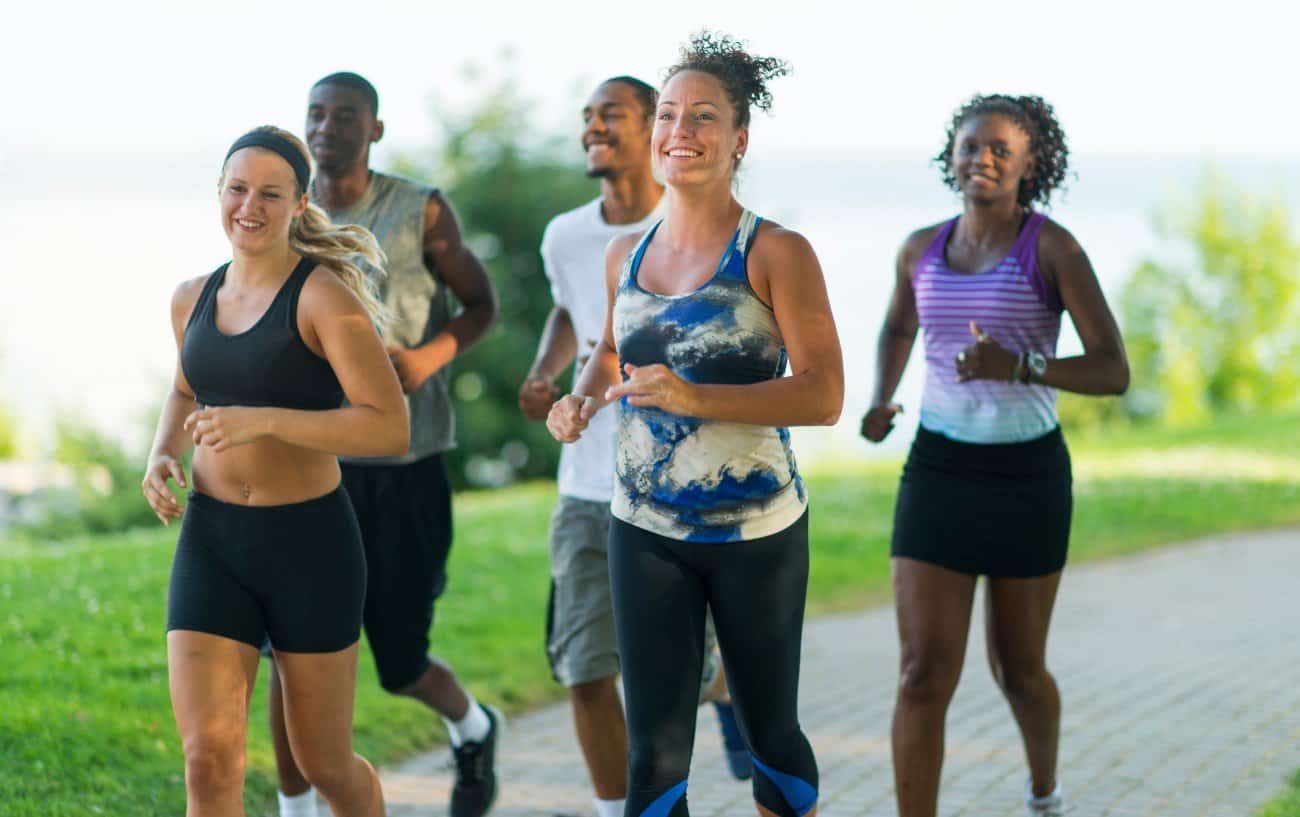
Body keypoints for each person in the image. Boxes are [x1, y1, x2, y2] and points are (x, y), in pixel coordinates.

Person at [547, 32, 843, 817]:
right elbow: (613, 351)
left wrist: (697, 398)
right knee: (655, 752)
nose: (681, 129)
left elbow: (823, 396)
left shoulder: (777, 251)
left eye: (703, 115)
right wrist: (581, 397)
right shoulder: (623, 254)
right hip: (642, 525)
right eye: (669, 114)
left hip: (757, 531)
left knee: (770, 735)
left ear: (739, 139)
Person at [860, 94, 1130, 817]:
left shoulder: (1054, 249)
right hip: (939, 470)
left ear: (1028, 163)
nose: (981, 158)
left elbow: (1112, 369)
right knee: (921, 673)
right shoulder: (919, 247)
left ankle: (1044, 792)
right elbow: (896, 326)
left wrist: (1022, 366)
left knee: (1018, 670)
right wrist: (881, 398)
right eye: (970, 144)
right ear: (949, 153)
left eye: (999, 149)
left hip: (1026, 477)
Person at [142, 125, 407, 817]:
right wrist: (161, 452)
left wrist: (266, 418)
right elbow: (183, 388)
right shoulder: (191, 297)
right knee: (208, 756)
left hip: (309, 547)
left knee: (325, 763)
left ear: (300, 202)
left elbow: (387, 423)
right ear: (219, 194)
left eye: (269, 193)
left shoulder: (323, 299)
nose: (248, 206)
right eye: (236, 189)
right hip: (212, 541)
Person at [262, 72, 502, 817]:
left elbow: (481, 303)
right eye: (315, 114)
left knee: (399, 662)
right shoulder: (287, 213)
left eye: (344, 116)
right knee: (288, 655)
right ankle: (295, 808)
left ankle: (472, 723)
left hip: (404, 468)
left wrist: (429, 358)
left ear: (375, 130)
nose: (327, 127)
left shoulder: (419, 209)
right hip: (310, 469)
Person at [520, 75, 750, 817]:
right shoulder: (566, 235)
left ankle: (729, 689)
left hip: (682, 487)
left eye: (609, 115)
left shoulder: (691, 224)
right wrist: (547, 377)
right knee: (585, 669)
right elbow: (575, 315)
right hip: (588, 486)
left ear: (653, 127)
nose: (593, 128)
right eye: (585, 116)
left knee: (689, 669)